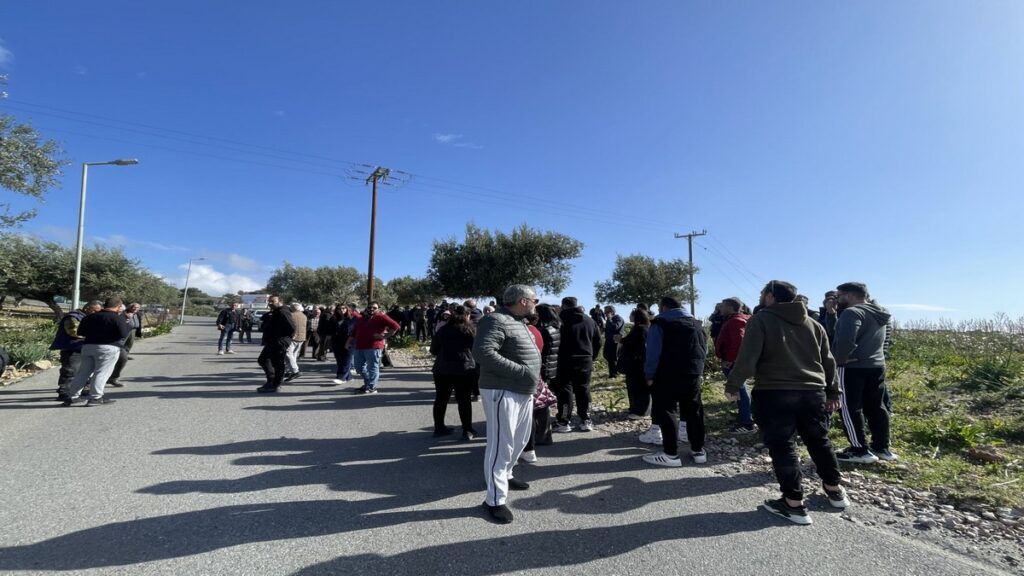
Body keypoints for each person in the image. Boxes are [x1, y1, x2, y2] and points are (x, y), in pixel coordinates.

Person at [725, 280, 848, 525]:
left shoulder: (760, 320)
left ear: (771, 296)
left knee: (783, 446)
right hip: (813, 392)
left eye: (762, 293)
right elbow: (828, 361)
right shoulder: (814, 324)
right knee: (819, 440)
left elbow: (748, 357)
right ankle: (835, 491)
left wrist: (733, 384)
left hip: (774, 392)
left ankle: (793, 504)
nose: (760, 297)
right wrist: (834, 392)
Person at [473, 284, 542, 524]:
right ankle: (494, 500)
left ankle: (507, 474)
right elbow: (483, 353)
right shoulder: (496, 321)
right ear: (523, 301)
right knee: (501, 444)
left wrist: (530, 376)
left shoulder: (517, 321)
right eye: (535, 299)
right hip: (503, 390)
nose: (536, 303)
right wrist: (522, 371)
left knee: (520, 440)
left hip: (522, 390)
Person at [641, 296, 708, 467]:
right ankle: (698, 450)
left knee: (667, 410)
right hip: (693, 373)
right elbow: (704, 350)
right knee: (694, 410)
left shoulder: (660, 323)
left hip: (667, 373)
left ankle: (671, 454)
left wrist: (649, 375)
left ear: (664, 307)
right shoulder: (697, 324)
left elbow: (653, 353)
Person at [832, 282, 895, 463]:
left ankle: (859, 450)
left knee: (848, 407)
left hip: (853, 367)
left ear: (849, 295)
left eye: (839, 296)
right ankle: (881, 447)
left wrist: (839, 359)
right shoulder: (879, 313)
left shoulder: (852, 312)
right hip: (877, 365)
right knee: (876, 406)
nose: (837, 300)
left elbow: (846, 339)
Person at [62, 297, 131, 406]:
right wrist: (126, 323)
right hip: (108, 348)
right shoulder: (117, 318)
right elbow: (123, 334)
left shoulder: (89, 317)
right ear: (118, 307)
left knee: (83, 373)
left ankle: (73, 397)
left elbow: (80, 332)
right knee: (102, 372)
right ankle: (95, 397)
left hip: (88, 346)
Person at [429, 305, 479, 439]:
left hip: (442, 368)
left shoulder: (442, 330)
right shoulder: (471, 331)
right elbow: (478, 351)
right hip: (464, 369)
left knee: (441, 399)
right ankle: (467, 430)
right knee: (464, 400)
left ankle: (439, 427)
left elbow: (433, 350)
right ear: (467, 316)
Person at [553, 297, 601, 433]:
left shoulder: (559, 320)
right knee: (583, 388)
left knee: (565, 389)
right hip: (585, 358)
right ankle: (586, 419)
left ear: (563, 306)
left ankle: (564, 420)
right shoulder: (589, 320)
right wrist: (593, 356)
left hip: (564, 358)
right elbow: (597, 341)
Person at [715, 297, 755, 433]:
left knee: (739, 390)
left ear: (731, 308)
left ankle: (746, 423)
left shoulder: (735, 321)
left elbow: (738, 343)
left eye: (723, 306)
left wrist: (730, 360)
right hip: (737, 361)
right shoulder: (741, 319)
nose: (720, 308)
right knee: (740, 390)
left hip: (733, 363)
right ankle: (745, 416)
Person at [51, 300, 103, 401]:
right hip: (72, 348)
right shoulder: (73, 317)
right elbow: (74, 332)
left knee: (84, 370)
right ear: (87, 308)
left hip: (83, 348)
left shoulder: (88, 317)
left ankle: (82, 389)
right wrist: (93, 336)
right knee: (70, 370)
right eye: (95, 311)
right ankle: (64, 392)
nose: (97, 313)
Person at [351, 301, 400, 394]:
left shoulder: (382, 317)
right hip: (360, 346)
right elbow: (355, 330)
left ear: (378, 308)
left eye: (374, 307)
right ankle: (368, 383)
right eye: (370, 307)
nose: (372, 309)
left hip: (374, 346)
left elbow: (396, 326)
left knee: (372, 367)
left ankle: (371, 387)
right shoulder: (362, 318)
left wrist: (383, 336)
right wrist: (349, 341)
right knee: (358, 367)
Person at [256, 295, 296, 393]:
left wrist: (285, 339)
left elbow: (292, 327)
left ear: (280, 301)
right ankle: (271, 380)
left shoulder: (283, 311)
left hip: (279, 342)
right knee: (263, 359)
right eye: (269, 301)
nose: (270, 303)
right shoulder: (276, 312)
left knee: (278, 363)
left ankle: (276, 384)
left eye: (272, 301)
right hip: (272, 341)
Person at [618, 308, 650, 419]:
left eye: (631, 315)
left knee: (638, 387)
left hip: (637, 363)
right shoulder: (643, 327)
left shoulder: (640, 329)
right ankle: (636, 409)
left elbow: (636, 344)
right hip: (638, 363)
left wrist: (622, 340)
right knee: (635, 387)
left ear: (636, 316)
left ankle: (640, 412)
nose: (629, 317)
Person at [330, 304, 360, 384]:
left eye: (343, 308)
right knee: (339, 361)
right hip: (336, 342)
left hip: (350, 342)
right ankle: (348, 377)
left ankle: (341, 377)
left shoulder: (354, 318)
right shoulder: (334, 318)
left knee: (346, 360)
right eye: (339, 308)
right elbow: (329, 330)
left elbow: (357, 330)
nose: (341, 310)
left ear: (347, 309)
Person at [283, 303, 307, 381]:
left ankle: (295, 371)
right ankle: (289, 370)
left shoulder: (291, 315)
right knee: (293, 355)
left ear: (293, 308)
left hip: (293, 337)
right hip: (302, 337)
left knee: (288, 354)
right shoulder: (304, 315)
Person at [602, 305, 625, 378]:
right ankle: (614, 372)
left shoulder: (618, 318)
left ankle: (614, 374)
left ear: (611, 312)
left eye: (606, 312)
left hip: (615, 340)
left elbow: (615, 327)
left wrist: (609, 319)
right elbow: (610, 328)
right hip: (609, 340)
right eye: (605, 313)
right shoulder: (611, 319)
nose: (605, 314)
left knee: (613, 357)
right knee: (607, 355)